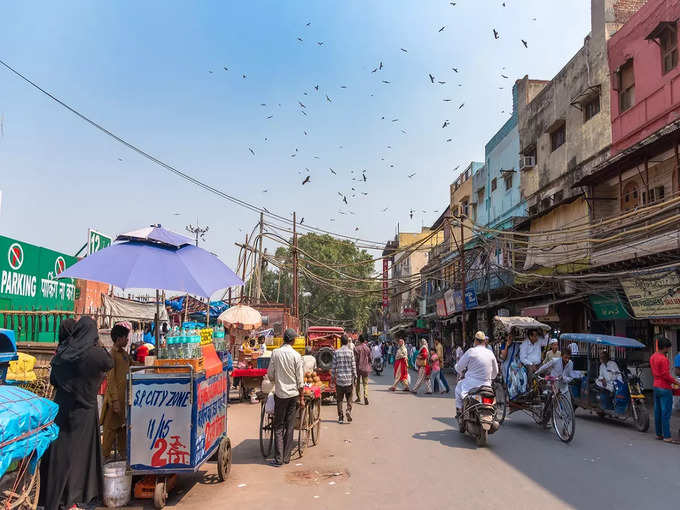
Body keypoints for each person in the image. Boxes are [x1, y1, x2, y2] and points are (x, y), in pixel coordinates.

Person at [39, 317, 113, 510]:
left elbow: (54, 379)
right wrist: (99, 345)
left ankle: (56, 498)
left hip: (62, 409)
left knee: (61, 454)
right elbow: (109, 362)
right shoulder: (96, 355)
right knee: (82, 457)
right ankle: (77, 499)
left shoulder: (63, 354)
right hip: (85, 413)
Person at [266, 328, 304, 466]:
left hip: (280, 394)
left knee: (278, 426)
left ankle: (278, 459)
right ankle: (286, 457)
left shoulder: (275, 353)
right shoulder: (296, 355)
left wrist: (276, 380)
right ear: (293, 340)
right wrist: (302, 397)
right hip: (293, 395)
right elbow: (300, 380)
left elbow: (270, 374)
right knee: (289, 425)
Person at [101, 323, 131, 461]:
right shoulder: (111, 356)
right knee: (109, 430)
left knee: (122, 429)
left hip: (124, 399)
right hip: (115, 400)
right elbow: (111, 379)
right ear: (119, 339)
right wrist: (115, 400)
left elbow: (133, 365)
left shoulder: (124, 355)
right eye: (126, 338)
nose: (127, 340)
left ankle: (123, 454)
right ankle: (104, 457)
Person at [454, 331, 499, 415]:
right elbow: (495, 372)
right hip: (487, 385)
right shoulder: (490, 353)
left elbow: (459, 367)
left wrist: (457, 368)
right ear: (484, 341)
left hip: (471, 385)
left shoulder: (471, 351)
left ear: (476, 341)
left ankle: (459, 411)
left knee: (457, 389)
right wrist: (489, 378)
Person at [650, 337, 680, 444]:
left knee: (657, 411)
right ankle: (667, 436)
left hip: (656, 385)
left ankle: (659, 434)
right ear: (666, 347)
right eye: (668, 348)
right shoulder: (664, 359)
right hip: (664, 387)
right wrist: (676, 382)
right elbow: (666, 375)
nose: (668, 350)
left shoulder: (653, 356)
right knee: (666, 412)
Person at [332, 335, 357, 423]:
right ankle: (348, 410)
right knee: (349, 398)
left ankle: (340, 417)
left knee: (339, 400)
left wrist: (332, 378)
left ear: (341, 342)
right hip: (349, 380)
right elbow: (353, 366)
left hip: (339, 381)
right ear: (347, 342)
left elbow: (334, 367)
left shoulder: (336, 352)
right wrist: (356, 378)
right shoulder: (350, 353)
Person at [354, 334, 372, 405]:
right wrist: (369, 365)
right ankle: (366, 396)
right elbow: (370, 359)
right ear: (364, 341)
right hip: (365, 368)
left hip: (358, 368)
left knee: (357, 383)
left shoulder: (356, 348)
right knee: (365, 384)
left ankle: (358, 397)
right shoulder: (367, 348)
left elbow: (355, 359)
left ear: (359, 340)